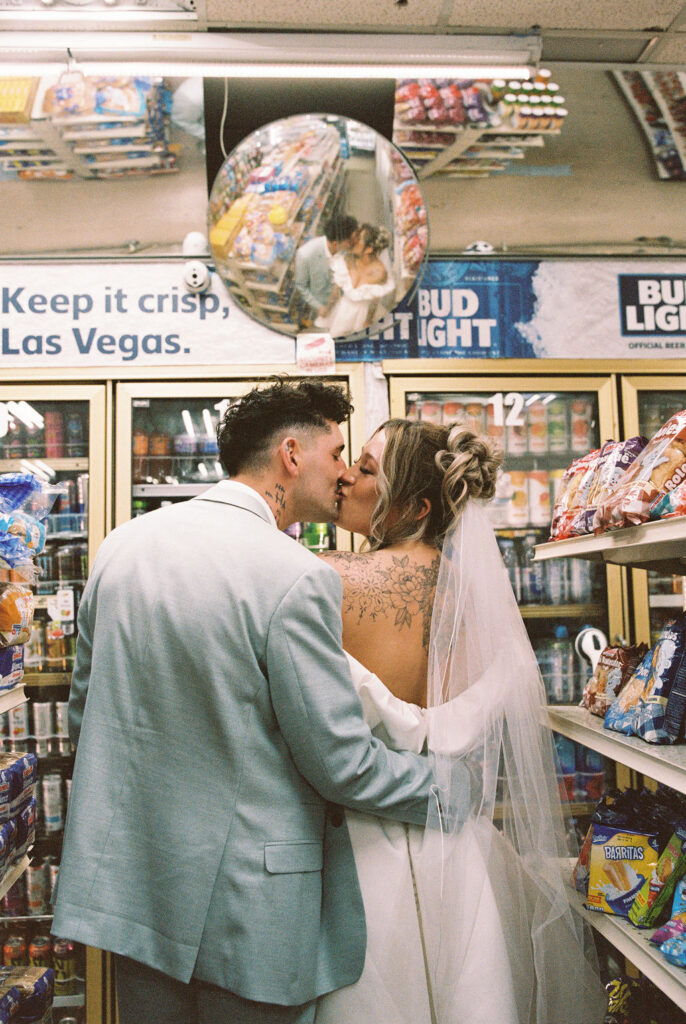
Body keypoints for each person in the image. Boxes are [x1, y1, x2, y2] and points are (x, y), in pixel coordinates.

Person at [51, 380, 437, 1024]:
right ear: (292, 455)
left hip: (133, 890)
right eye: (337, 452)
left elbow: (86, 719)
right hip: (249, 907)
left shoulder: (122, 546)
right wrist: (449, 788)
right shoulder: (293, 573)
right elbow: (341, 762)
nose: (344, 474)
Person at [316, 418, 607, 1024]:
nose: (346, 475)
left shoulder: (327, 579)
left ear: (415, 504)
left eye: (367, 469)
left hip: (356, 859)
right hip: (460, 851)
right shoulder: (481, 602)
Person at [317, 223, 395, 339]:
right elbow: (336, 289)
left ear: (369, 249)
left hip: (362, 316)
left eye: (359, 239)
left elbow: (375, 299)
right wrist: (327, 308)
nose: (353, 241)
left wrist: (368, 321)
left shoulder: (379, 272)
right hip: (342, 310)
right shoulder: (347, 259)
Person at [293, 214, 358, 328]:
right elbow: (301, 286)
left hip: (343, 301)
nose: (354, 242)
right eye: (350, 241)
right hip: (322, 304)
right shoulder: (305, 255)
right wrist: (318, 307)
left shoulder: (347, 251)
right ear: (335, 244)